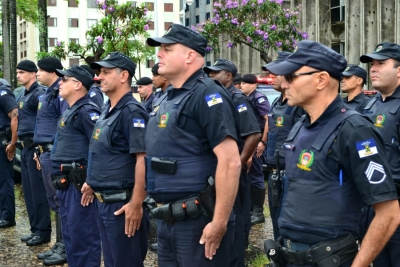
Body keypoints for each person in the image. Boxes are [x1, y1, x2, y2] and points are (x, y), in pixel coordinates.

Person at [264, 40, 400, 267]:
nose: (284, 84)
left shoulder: (354, 130)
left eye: (291, 77)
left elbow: (389, 213)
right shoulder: (300, 126)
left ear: (321, 80)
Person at [146, 23, 241, 267]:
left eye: (167, 49)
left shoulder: (207, 95)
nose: (159, 54)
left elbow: (230, 161)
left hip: (197, 219)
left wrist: (219, 222)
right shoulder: (170, 96)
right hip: (168, 218)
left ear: (190, 55)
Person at [87, 52, 150, 267]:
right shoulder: (108, 109)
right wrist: (91, 181)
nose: (99, 77)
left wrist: (136, 203)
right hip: (103, 201)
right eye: (99, 73)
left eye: (105, 72)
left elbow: (143, 159)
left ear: (123, 75)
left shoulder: (132, 111)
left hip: (122, 204)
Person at [205, 58, 261, 267]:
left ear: (228, 76)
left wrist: (240, 160)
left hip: (233, 169)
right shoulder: (219, 97)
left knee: (235, 218)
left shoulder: (237, 99)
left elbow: (253, 134)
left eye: (215, 73)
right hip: (221, 168)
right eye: (209, 73)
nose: (211, 76)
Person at [50, 65, 101, 267]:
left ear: (78, 84)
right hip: (65, 185)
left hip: (80, 186)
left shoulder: (88, 111)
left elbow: (97, 149)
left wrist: (91, 180)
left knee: (84, 238)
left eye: (65, 80)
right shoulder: (71, 111)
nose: (60, 82)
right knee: (71, 237)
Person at [360, 42, 400, 267]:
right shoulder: (370, 105)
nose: (373, 68)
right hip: (372, 205)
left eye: (381, 63)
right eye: (372, 64)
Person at [261, 52, 304, 242]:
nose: (272, 78)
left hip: (290, 171)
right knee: (276, 218)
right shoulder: (277, 101)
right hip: (274, 169)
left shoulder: (298, 104)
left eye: (276, 74)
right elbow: (270, 128)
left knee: (289, 222)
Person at [33, 56, 68, 265]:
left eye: (40, 70)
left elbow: (63, 124)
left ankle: (65, 245)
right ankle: (59, 242)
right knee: (54, 201)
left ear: (52, 72)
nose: (37, 74)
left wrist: (53, 150)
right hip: (44, 152)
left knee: (61, 200)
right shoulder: (48, 92)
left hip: (54, 153)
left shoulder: (60, 92)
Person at [16, 60, 51, 246]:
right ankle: (35, 229)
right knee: (28, 192)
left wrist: (39, 148)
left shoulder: (39, 94)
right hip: (25, 148)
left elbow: (43, 122)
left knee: (38, 193)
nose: (18, 76)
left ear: (32, 74)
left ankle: (43, 231)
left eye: (22, 72)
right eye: (17, 72)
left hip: (35, 148)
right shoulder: (24, 94)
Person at [240, 73, 270, 225]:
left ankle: (258, 211)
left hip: (257, 140)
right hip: (249, 139)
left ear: (253, 85)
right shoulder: (246, 98)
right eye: (241, 83)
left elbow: (268, 119)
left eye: (245, 83)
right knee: (249, 174)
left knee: (256, 175)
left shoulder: (259, 98)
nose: (242, 86)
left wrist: (263, 141)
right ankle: (251, 208)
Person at [0, 79, 18, 229]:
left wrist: (12, 143)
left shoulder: (3, 92)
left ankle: (7, 216)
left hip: (3, 142)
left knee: (4, 180)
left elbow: (14, 115)